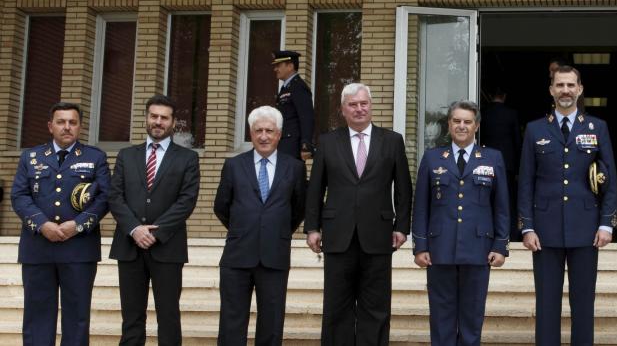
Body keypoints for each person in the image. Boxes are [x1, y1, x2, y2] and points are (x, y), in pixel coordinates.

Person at [304, 83, 413, 346]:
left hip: (378, 236)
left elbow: (404, 188)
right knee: (336, 308)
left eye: (364, 103)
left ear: (371, 106)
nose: (359, 109)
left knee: (375, 308)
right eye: (353, 104)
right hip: (338, 236)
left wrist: (401, 227)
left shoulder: (392, 141)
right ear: (343, 110)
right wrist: (312, 228)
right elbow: (316, 188)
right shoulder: (328, 142)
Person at [517, 65, 617, 346]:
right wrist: (527, 227)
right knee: (547, 302)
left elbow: (609, 178)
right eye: (560, 85)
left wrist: (606, 222)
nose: (565, 91)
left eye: (570, 85)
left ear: (580, 89)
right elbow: (526, 181)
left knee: (584, 301)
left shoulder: (597, 127)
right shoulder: (535, 129)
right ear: (551, 90)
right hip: (544, 230)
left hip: (586, 228)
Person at [412, 100, 510, 346]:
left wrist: (500, 246)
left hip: (479, 249)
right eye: (457, 121)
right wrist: (420, 246)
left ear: (476, 126)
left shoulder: (492, 158)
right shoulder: (433, 158)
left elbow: (501, 206)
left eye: (467, 122)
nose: (462, 126)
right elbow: (421, 206)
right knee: (441, 319)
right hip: (440, 249)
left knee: (472, 319)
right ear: (449, 124)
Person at [11, 102, 110, 346]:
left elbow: (105, 197)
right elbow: (19, 195)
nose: (67, 127)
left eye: (72, 122)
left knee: (77, 316)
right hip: (38, 247)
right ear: (50, 126)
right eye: (61, 122)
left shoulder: (95, 157)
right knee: (37, 315)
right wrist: (42, 224)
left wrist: (76, 225)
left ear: (80, 126)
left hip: (78, 248)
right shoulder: (31, 157)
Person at [108, 94, 201, 345]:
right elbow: (115, 196)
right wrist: (134, 229)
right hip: (129, 246)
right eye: (154, 116)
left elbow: (186, 201)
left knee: (168, 316)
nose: (158, 121)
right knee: (131, 317)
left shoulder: (188, 158)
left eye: (164, 117)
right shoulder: (126, 156)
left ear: (173, 123)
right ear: (146, 118)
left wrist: (155, 233)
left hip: (167, 247)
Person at [213, 106, 307, 346]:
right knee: (232, 324)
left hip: (274, 256)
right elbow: (221, 206)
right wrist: (244, 229)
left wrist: (276, 230)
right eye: (258, 131)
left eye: (269, 130)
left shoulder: (295, 168)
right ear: (251, 133)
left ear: (279, 134)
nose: (264, 136)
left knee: (272, 324)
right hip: (237, 256)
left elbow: (298, 208)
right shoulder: (234, 165)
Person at [480, 88, 521, 240]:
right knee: (507, 198)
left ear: (490, 96)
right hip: (507, 162)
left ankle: (488, 232)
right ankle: (510, 234)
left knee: (486, 197)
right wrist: (518, 166)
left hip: (485, 159)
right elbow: (517, 141)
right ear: (504, 95)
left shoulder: (484, 112)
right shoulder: (511, 113)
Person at [272, 50, 315, 159]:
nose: (275, 69)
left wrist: (305, 145)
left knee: (291, 175)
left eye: (278, 65)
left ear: (290, 66)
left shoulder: (298, 87)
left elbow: (306, 117)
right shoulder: (286, 87)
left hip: (292, 145)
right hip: (283, 143)